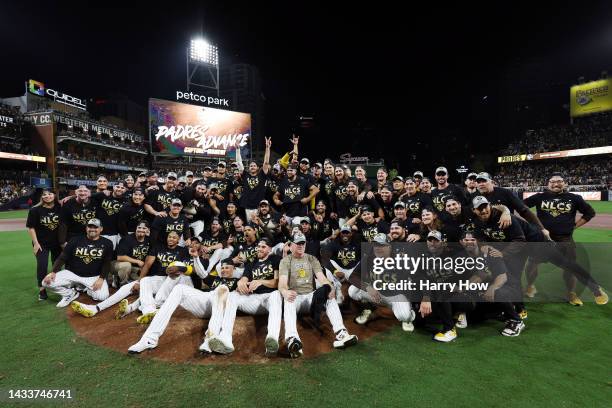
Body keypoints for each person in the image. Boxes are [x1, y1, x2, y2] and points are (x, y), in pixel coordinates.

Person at [126, 258, 239, 354]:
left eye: (227, 267)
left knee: (222, 289)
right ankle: (149, 339)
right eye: (222, 268)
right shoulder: (215, 279)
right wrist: (195, 258)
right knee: (179, 288)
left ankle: (210, 338)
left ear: (234, 269)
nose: (224, 270)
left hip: (220, 305)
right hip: (205, 301)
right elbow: (201, 273)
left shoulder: (238, 282)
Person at [278, 232, 358, 358]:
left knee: (329, 295)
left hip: (311, 297)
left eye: (302, 243)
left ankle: (341, 333)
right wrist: (285, 291)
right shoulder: (285, 261)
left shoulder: (312, 259)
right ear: (291, 245)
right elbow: (282, 283)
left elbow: (322, 278)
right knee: (289, 298)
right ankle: (292, 339)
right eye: (297, 243)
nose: (300, 245)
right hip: (296, 298)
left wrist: (330, 288)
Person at [523, 173, 596, 304]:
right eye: (552, 181)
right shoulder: (540, 197)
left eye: (559, 181)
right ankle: (530, 285)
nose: (556, 184)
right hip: (542, 239)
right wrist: (532, 225)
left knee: (570, 267)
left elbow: (590, 213)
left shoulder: (574, 198)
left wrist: (574, 226)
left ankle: (571, 293)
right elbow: (521, 207)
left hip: (565, 239)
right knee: (532, 263)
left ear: (565, 183)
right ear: (548, 184)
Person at [207, 238, 283, 355]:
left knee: (276, 294)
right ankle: (226, 339)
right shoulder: (252, 263)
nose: (259, 249)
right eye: (258, 246)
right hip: (253, 299)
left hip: (269, 299)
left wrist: (261, 282)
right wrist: (240, 283)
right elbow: (244, 278)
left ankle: (272, 338)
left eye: (263, 247)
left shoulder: (276, 259)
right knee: (232, 295)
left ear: (269, 249)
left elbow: (278, 283)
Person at [349, 233, 416, 332]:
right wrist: (368, 287)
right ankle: (368, 308)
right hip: (376, 293)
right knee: (352, 290)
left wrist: (408, 300)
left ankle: (409, 315)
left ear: (389, 246)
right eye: (376, 245)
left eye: (381, 245)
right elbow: (353, 276)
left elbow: (412, 282)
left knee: (404, 316)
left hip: (394, 296)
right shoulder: (369, 258)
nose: (378, 248)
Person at [42, 218, 113, 308]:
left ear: (101, 229)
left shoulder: (107, 243)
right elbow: (63, 257)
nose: (92, 229)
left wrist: (101, 278)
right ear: (86, 228)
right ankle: (70, 294)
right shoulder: (75, 240)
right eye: (90, 227)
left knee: (102, 296)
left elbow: (106, 263)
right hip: (73, 273)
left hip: (93, 276)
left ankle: (87, 289)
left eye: (95, 227)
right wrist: (53, 272)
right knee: (46, 282)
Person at [26, 189, 61, 301]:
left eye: (50, 194)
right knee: (42, 266)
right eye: (44, 195)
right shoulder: (35, 210)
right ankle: (42, 290)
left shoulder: (60, 208)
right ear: (42, 197)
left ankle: (58, 287)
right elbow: (31, 228)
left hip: (57, 243)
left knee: (57, 267)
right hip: (41, 243)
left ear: (54, 195)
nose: (47, 196)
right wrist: (36, 243)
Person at [237, 137, 271, 222]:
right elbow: (239, 163)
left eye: (254, 165)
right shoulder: (245, 175)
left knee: (258, 228)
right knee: (249, 227)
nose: (252, 167)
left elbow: (266, 162)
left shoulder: (262, 175)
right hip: (247, 206)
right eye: (251, 165)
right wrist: (237, 149)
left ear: (258, 168)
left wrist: (267, 148)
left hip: (258, 206)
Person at [113, 221, 151, 286]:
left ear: (148, 230)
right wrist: (137, 261)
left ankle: (129, 279)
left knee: (143, 283)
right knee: (126, 265)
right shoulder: (127, 239)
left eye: (144, 228)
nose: (141, 230)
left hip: (136, 268)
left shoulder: (149, 240)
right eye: (139, 227)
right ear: (136, 228)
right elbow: (120, 257)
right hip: (120, 264)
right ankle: (122, 284)